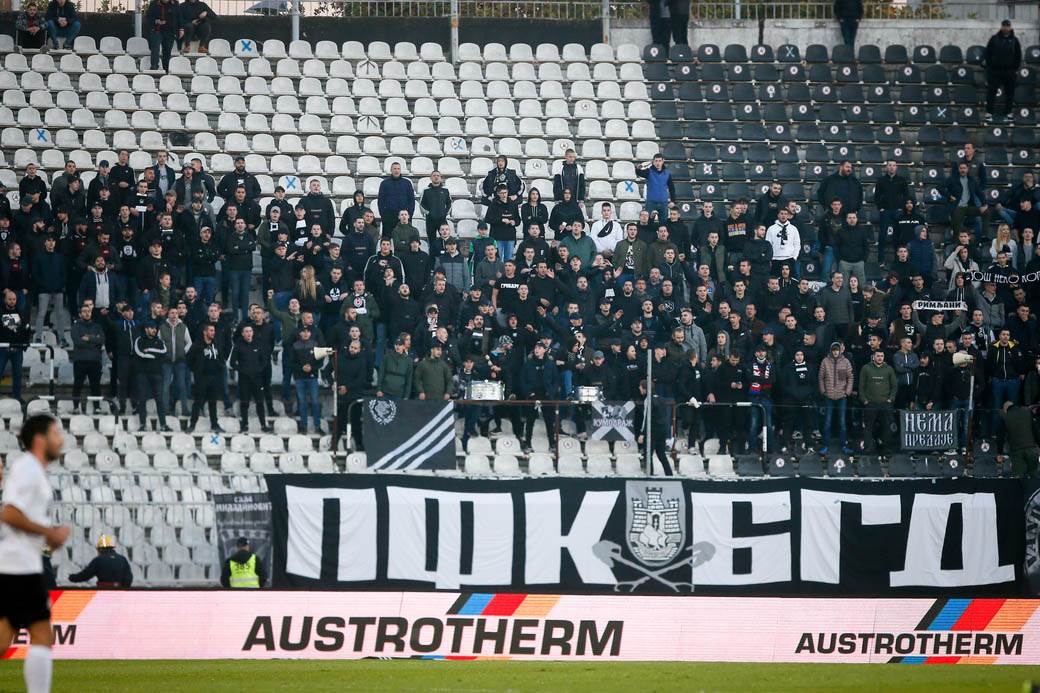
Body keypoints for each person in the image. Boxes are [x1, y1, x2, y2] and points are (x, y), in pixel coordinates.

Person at [0, 414, 70, 693]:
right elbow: (10, 513)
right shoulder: (27, 468)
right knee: (41, 634)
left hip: (22, 565)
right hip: (18, 568)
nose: (60, 439)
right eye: (56, 433)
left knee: (10, 638)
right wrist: (49, 532)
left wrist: (48, 540)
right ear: (40, 439)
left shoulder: (34, 471)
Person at [133, 320, 170, 431]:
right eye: (151, 328)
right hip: (142, 374)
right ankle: (142, 425)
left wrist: (148, 350)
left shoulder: (159, 341)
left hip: (157, 374)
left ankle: (163, 425)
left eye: (155, 328)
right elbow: (139, 353)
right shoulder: (139, 340)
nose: (154, 330)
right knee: (142, 399)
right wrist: (154, 355)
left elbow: (164, 352)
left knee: (159, 400)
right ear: (146, 329)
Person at [859, 349, 897, 453]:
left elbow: (894, 386)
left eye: (882, 356)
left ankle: (886, 448)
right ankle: (868, 447)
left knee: (887, 427)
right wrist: (865, 400)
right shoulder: (866, 368)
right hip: (870, 403)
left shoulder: (889, 369)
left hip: (885, 403)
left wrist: (890, 399)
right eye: (878, 356)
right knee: (868, 427)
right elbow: (861, 386)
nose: (880, 358)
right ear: (873, 357)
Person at [818, 341, 854, 453]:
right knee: (827, 422)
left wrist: (847, 392)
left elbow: (850, 377)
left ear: (840, 350)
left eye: (837, 350)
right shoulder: (825, 361)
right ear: (831, 350)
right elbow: (821, 377)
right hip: (828, 396)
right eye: (833, 350)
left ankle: (843, 445)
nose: (835, 352)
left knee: (842, 422)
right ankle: (825, 445)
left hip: (842, 396)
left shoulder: (846, 361)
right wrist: (823, 391)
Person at [984, 19, 1022, 121]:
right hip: (995, 71)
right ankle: (989, 113)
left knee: (1009, 93)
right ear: (1001, 27)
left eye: (1007, 26)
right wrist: (990, 68)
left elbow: (1018, 56)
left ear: (1011, 27)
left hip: (1009, 72)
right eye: (1004, 26)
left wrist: (1015, 69)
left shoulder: (1015, 40)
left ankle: (1008, 113)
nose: (1006, 28)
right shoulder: (994, 39)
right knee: (991, 92)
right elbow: (987, 53)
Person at [68, 535, 133, 588]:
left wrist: (72, 578)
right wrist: (122, 588)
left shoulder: (98, 560)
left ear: (101, 549)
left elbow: (86, 575)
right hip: (119, 593)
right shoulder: (122, 559)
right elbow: (129, 578)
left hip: (103, 592)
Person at [0, 290, 30, 403]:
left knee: (18, 374)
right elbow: (17, 328)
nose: (12, 301)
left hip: (17, 349)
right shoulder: (1, 311)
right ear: (5, 299)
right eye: (10, 299)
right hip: (2, 348)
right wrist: (18, 326)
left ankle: (17, 398)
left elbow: (26, 330)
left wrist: (22, 346)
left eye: (14, 299)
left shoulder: (21, 312)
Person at [1001, 402, 1040, 477]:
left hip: (1017, 451)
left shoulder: (1005, 417)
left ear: (1005, 409)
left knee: (1018, 477)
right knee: (1034, 476)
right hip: (1031, 449)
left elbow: (1001, 436)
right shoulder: (1027, 412)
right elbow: (1035, 431)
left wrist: (1000, 451)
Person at [145, 0, 183, 73]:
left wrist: (181, 29)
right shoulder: (154, 3)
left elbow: (179, 16)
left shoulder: (175, 3)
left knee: (167, 50)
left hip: (170, 31)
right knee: (155, 47)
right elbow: (148, 17)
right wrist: (156, 21)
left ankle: (166, 69)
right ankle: (154, 67)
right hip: (157, 29)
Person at [636, 154, 675, 223]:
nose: (658, 163)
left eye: (660, 161)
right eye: (656, 161)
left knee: (664, 224)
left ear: (663, 161)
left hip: (663, 203)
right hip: (651, 203)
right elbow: (638, 172)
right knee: (648, 223)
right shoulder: (649, 171)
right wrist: (640, 167)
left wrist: (673, 201)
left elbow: (671, 187)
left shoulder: (667, 173)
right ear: (653, 162)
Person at [377, 163, 415, 233]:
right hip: (389, 216)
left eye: (398, 169)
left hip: (404, 216)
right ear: (391, 170)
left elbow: (412, 200)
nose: (396, 171)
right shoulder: (384, 183)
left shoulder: (407, 183)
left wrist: (409, 214)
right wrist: (383, 214)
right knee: (387, 239)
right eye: (394, 168)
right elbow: (380, 200)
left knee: (405, 239)